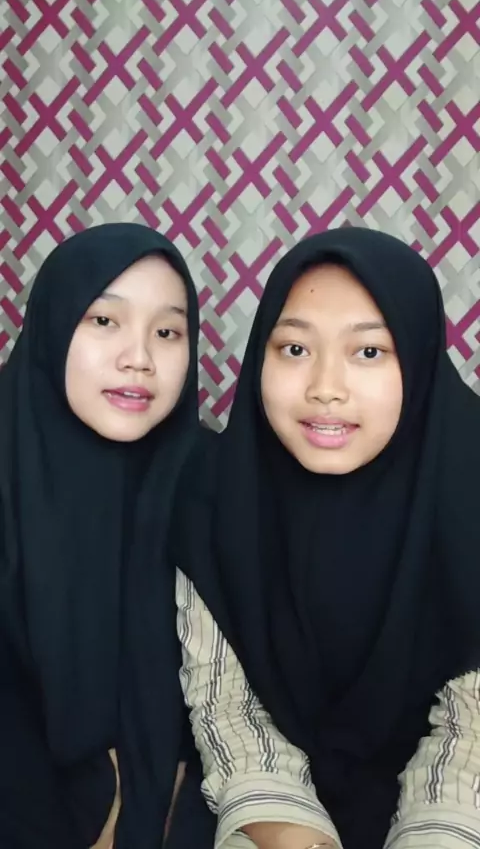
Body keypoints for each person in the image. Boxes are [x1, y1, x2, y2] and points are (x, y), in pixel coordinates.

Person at [173, 227, 480, 849]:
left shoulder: (469, 483)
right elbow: (227, 707)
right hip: (264, 801)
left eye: (368, 352)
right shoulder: (213, 491)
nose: (325, 387)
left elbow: (472, 730)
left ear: (419, 358)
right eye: (294, 349)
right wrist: (297, 837)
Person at [0, 223, 215, 848]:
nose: (138, 357)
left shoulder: (213, 481)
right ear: (53, 322)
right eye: (103, 320)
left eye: (167, 332)